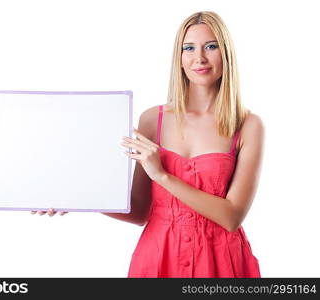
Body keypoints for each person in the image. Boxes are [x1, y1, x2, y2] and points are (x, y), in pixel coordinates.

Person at [32, 11, 264, 278]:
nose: (199, 58)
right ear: (178, 57)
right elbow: (140, 211)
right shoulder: (153, 119)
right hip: (158, 259)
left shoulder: (249, 125)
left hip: (221, 263)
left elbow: (231, 216)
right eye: (188, 48)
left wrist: (161, 175)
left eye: (211, 46)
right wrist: (76, 197)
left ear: (226, 54)